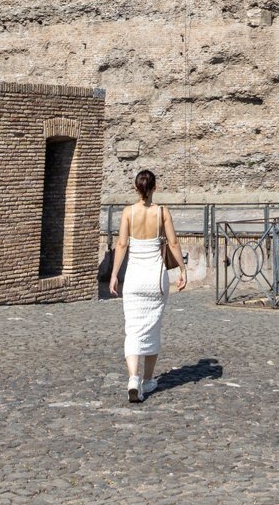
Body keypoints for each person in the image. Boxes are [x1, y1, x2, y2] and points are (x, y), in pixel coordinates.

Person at [110, 168, 186, 402]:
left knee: (132, 328)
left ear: (135, 188)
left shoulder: (128, 212)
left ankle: (133, 378)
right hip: (155, 279)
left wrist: (114, 275)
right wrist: (183, 269)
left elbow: (122, 244)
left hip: (134, 278)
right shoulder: (162, 212)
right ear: (155, 188)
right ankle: (148, 380)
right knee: (152, 328)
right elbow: (172, 242)